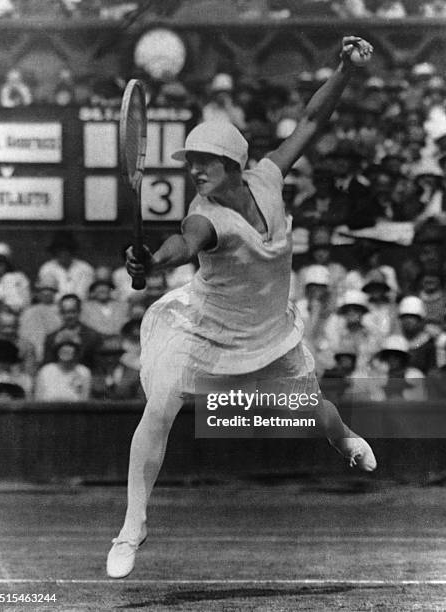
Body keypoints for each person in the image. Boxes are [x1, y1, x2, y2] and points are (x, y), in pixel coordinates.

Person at [106, 36, 377, 579]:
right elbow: (183, 244)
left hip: (269, 333)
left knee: (314, 412)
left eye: (206, 161)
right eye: (192, 162)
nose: (195, 170)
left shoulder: (270, 177)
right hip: (205, 331)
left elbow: (310, 118)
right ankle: (131, 528)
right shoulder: (203, 216)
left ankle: (345, 437)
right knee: (159, 407)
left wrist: (345, 67)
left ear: (234, 164)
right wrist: (154, 262)